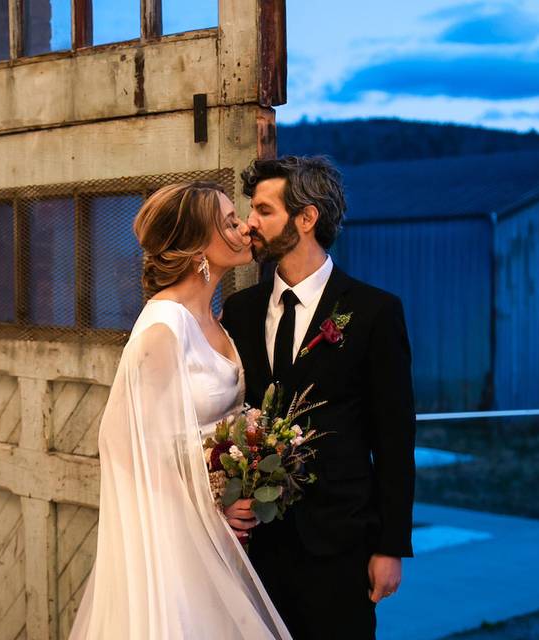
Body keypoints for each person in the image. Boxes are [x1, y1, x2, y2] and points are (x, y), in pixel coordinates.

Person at [69, 182, 291, 639]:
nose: (245, 227)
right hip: (176, 538)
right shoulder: (163, 329)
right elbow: (126, 446)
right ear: (196, 249)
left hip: (219, 533)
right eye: (230, 223)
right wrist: (209, 507)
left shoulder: (213, 318)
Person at [221, 156, 417, 640]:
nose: (250, 223)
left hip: (340, 547)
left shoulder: (373, 312)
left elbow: (395, 438)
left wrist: (391, 546)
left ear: (306, 218)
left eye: (264, 210)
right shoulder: (239, 311)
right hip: (256, 548)